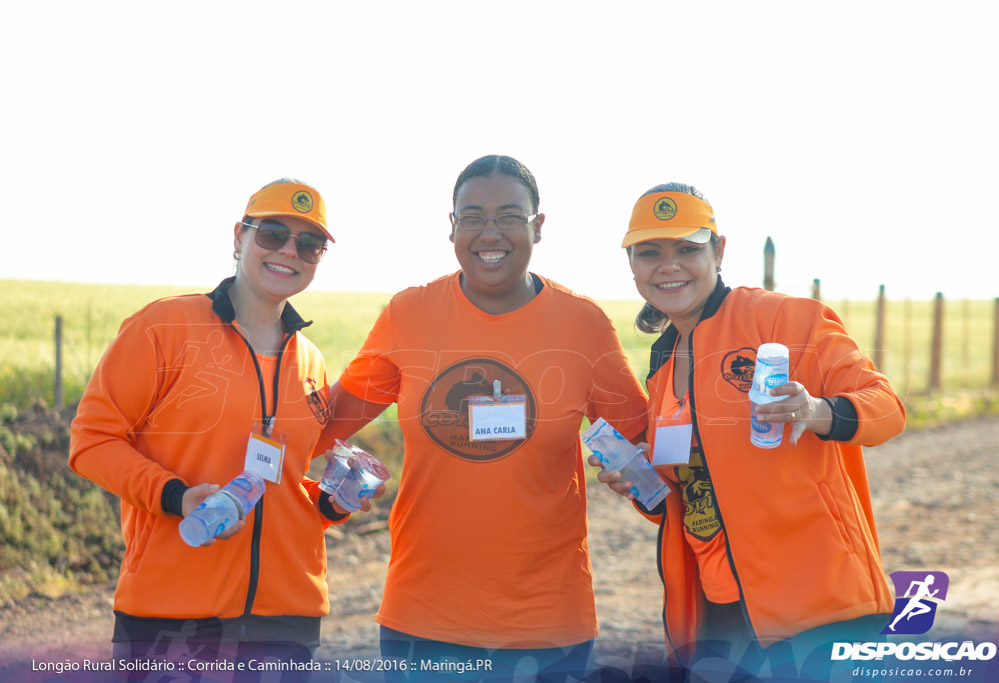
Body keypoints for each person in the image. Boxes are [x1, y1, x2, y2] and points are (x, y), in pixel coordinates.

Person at [314, 155, 649, 681]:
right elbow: (323, 425)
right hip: (423, 620)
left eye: (509, 216)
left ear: (539, 227)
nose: (489, 232)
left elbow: (650, 455)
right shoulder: (409, 315)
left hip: (547, 626)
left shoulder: (583, 326)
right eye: (472, 216)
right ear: (451, 227)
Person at [591, 182, 906, 679]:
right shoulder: (663, 359)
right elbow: (693, 494)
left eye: (688, 249)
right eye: (650, 252)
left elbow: (887, 408)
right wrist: (642, 485)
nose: (668, 265)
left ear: (719, 250)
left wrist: (817, 411)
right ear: (632, 264)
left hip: (818, 610)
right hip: (717, 615)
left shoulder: (783, 319)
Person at [70, 179, 380, 681]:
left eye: (308, 244)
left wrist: (328, 502)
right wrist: (176, 497)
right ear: (239, 237)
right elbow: (92, 440)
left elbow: (279, 480)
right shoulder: (164, 327)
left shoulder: (311, 362)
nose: (288, 251)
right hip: (173, 615)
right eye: (272, 233)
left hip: (286, 621)